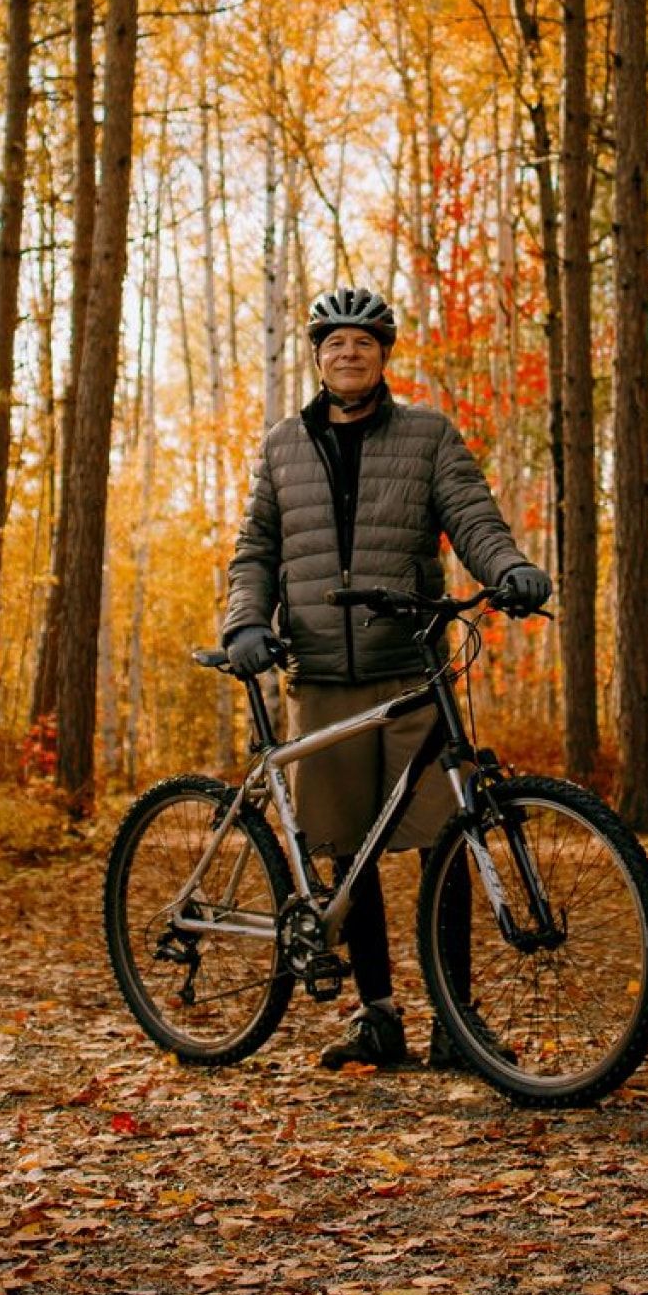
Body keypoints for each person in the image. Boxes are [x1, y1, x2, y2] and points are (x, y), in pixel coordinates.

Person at [222, 283, 552, 1070]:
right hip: (322, 673)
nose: (348, 353)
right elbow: (256, 549)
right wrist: (243, 622)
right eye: (333, 342)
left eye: (362, 342)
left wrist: (510, 568)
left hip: (410, 667)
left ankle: (457, 1024)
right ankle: (378, 1017)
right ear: (316, 357)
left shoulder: (429, 436)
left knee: (448, 839)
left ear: (383, 355)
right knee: (346, 852)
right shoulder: (280, 446)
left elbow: (474, 518)